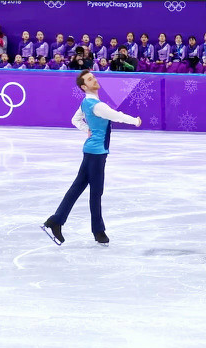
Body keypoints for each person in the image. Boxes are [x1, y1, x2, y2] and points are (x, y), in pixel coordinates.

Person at [42, 70, 142, 247]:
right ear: (84, 86)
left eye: (93, 77)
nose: (94, 80)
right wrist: (135, 121)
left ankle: (56, 221)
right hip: (96, 154)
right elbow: (117, 116)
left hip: (93, 151)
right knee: (96, 192)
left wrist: (86, 130)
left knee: (79, 187)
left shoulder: (87, 103)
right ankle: (98, 231)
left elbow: (75, 120)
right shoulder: (97, 106)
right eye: (89, 79)